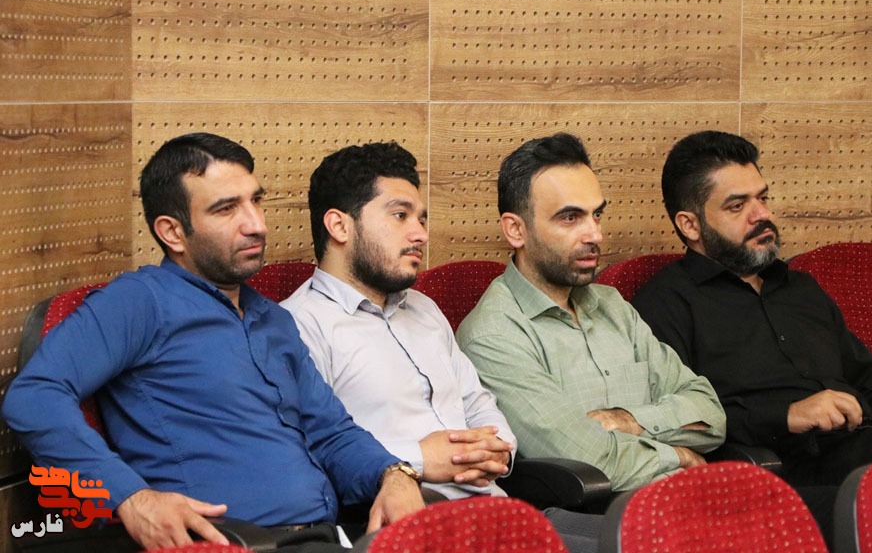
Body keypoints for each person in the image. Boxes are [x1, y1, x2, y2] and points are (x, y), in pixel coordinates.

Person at [2, 133, 424, 552]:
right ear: (173, 232)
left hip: (332, 535)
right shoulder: (140, 301)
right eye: (226, 209)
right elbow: (34, 397)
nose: (256, 225)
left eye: (256, 201)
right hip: (233, 543)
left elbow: (331, 432)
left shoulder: (273, 319)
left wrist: (393, 474)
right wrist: (131, 498)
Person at [280, 142, 604, 553]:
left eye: (421, 218)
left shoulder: (425, 309)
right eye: (400, 216)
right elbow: (310, 456)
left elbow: (479, 403)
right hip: (416, 526)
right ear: (340, 226)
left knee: (645, 534)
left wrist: (496, 451)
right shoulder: (298, 325)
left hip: (500, 510)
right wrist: (417, 459)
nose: (420, 234)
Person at [456, 133, 726, 492]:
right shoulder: (493, 334)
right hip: (599, 514)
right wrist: (680, 456)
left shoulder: (613, 305)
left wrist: (629, 420)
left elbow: (710, 415)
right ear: (516, 230)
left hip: (688, 498)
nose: (595, 234)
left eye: (596, 214)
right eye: (570, 217)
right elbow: (589, 460)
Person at [631, 130, 872, 488]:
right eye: (737, 206)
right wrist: (785, 415)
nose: (763, 214)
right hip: (784, 474)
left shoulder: (801, 288)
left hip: (870, 446)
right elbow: (673, 419)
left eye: (762, 197)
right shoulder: (665, 303)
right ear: (690, 225)